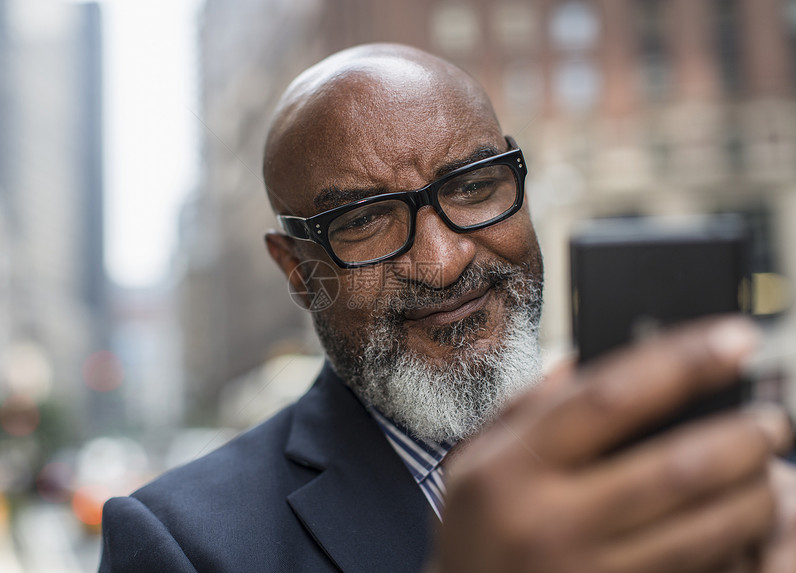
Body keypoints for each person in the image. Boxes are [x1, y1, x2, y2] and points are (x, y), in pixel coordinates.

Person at [99, 43, 796, 572]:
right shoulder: (179, 543)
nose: (443, 261)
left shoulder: (697, 456)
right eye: (366, 220)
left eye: (472, 185)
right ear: (296, 271)